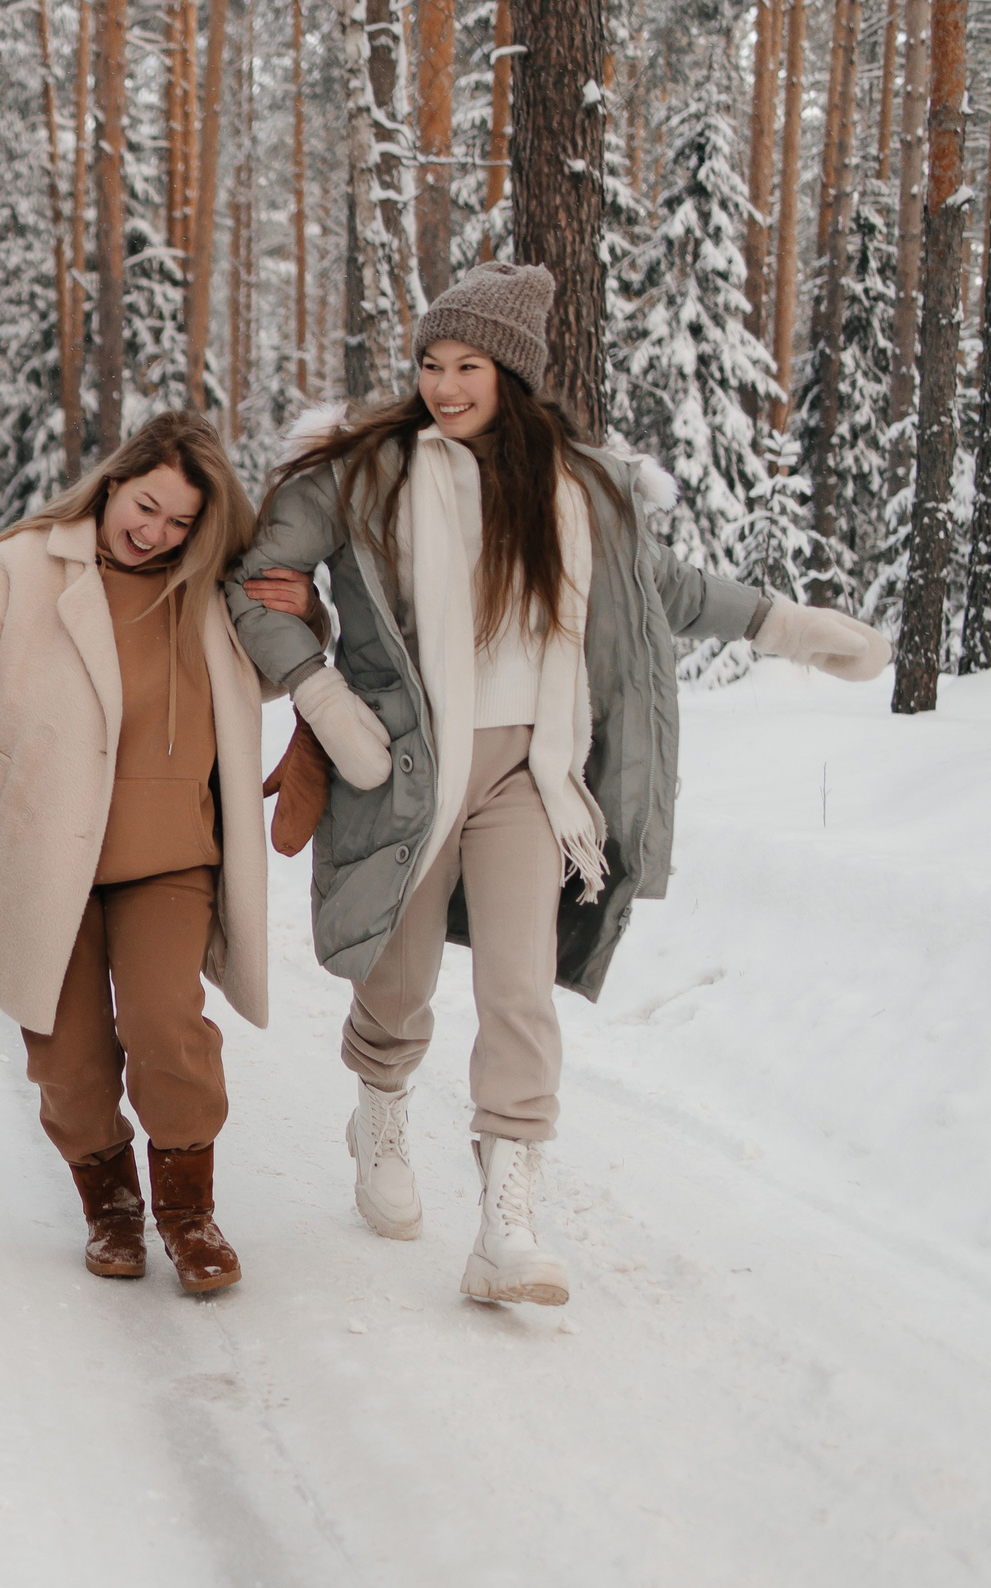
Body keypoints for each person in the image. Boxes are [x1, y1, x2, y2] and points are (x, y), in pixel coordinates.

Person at [227, 261, 890, 1306]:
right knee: (395, 978)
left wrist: (789, 629)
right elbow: (255, 579)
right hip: (403, 765)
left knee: (518, 985)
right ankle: (380, 1100)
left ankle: (507, 1217)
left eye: (468, 366)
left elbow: (662, 588)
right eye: (430, 363)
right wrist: (319, 693)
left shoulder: (576, 489)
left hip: (534, 772)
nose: (443, 385)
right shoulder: (363, 475)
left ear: (514, 376)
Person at [0, 412, 283, 1293]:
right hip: (44, 847)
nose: (156, 532)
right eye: (147, 505)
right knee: (69, 1055)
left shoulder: (211, 586)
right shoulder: (24, 564)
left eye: (179, 522)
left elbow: (279, 662)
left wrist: (302, 604)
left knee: (165, 1025)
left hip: (169, 853)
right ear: (114, 482)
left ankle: (188, 1211)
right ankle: (112, 1208)